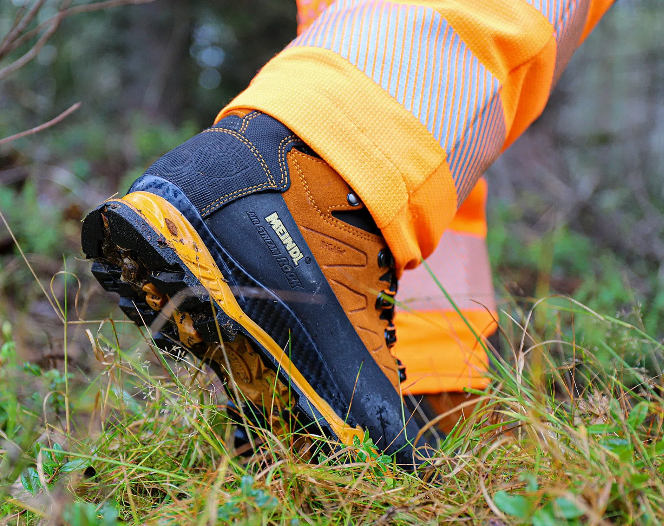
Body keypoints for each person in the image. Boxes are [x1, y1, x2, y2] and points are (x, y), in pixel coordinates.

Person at [81, 0, 615, 469]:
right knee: (420, 78)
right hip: (291, 175)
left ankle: (420, 386)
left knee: (418, 122)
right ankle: (312, 180)